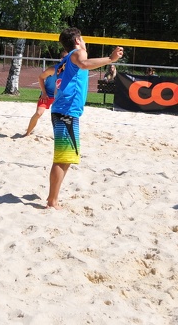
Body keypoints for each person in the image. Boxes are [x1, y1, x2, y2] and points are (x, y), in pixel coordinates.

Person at [46, 27, 123, 209]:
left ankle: (53, 198)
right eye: (83, 39)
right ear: (78, 41)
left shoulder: (65, 60)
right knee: (62, 158)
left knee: (66, 158)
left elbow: (49, 74)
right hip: (66, 112)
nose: (85, 42)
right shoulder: (77, 53)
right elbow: (85, 64)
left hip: (64, 110)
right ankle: (52, 201)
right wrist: (111, 59)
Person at [23, 52, 67, 137]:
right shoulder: (53, 69)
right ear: (61, 60)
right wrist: (44, 92)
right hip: (47, 95)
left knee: (60, 116)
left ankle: (60, 136)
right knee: (38, 113)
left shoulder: (69, 71)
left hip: (59, 96)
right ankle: (27, 133)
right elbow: (40, 77)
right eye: (66, 58)